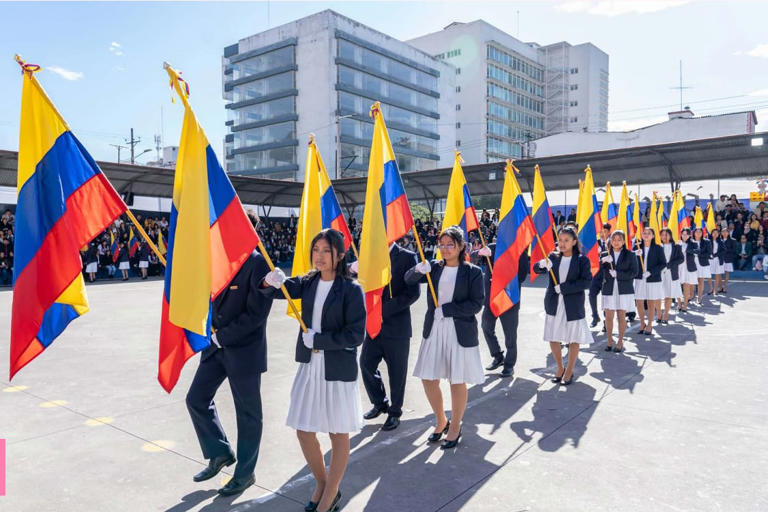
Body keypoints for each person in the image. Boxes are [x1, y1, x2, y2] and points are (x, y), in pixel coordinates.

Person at [263, 229, 365, 512]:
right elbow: (275, 291)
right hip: (310, 366)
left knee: (338, 432)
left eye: (326, 251)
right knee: (304, 429)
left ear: (340, 255)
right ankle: (321, 481)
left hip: (336, 368)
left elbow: (356, 335)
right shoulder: (308, 282)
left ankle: (331, 492)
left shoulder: (352, 290)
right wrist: (271, 280)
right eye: (316, 250)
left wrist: (319, 340)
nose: (319, 256)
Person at [185, 211, 275, 496]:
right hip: (216, 348)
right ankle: (220, 451)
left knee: (248, 415)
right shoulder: (217, 259)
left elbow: (256, 315)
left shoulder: (259, 264)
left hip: (243, 350)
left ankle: (245, 473)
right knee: (196, 399)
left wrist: (222, 336)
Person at [405, 226, 485, 449]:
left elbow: (476, 304)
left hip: (459, 331)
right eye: (442, 244)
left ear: (461, 247)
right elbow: (408, 280)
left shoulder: (473, 272)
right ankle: (441, 419)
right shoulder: (435, 268)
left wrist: (448, 310)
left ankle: (455, 425)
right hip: (435, 330)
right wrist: (418, 270)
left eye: (450, 245)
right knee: (428, 377)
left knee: (457, 379)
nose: (445, 249)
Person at [352, 241, 420, 432]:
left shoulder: (407, 256)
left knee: (397, 373)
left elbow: (412, 293)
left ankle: (395, 412)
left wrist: (383, 310)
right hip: (374, 326)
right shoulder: (369, 256)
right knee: (366, 363)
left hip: (397, 327)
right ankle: (380, 403)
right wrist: (352, 269)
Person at [533, 226, 593, 385]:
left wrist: (565, 288)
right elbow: (537, 269)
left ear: (574, 242)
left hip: (572, 305)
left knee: (573, 339)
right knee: (553, 337)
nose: (563, 243)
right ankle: (559, 367)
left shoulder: (582, 260)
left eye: (566, 240)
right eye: (560, 240)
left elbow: (586, 282)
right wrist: (540, 264)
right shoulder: (553, 257)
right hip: (554, 303)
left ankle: (569, 371)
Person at [471, 242, 529, 378]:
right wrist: (479, 253)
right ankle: (497, 356)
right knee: (486, 326)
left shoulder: (520, 252)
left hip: (509, 298)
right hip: (492, 298)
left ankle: (509, 365)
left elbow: (522, 276)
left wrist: (503, 272)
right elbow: (471, 258)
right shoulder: (492, 247)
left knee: (510, 335)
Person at [600, 230, 638, 352]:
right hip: (609, 289)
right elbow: (598, 272)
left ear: (623, 241)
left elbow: (634, 272)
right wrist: (603, 262)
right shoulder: (605, 253)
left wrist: (618, 274)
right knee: (608, 316)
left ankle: (620, 341)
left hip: (624, 289)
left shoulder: (630, 255)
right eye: (614, 239)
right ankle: (609, 341)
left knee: (621, 316)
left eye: (619, 239)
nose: (616, 242)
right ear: (610, 241)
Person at [633, 227, 665, 336]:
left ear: (653, 236)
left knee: (651, 302)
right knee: (639, 301)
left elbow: (662, 263)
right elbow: (631, 262)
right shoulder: (636, 247)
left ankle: (650, 325)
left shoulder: (658, 248)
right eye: (644, 233)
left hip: (653, 279)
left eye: (649, 233)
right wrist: (635, 255)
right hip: (639, 278)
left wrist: (651, 272)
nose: (646, 235)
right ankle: (642, 323)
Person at [659, 228, 684, 324]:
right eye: (663, 235)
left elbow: (681, 259)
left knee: (668, 295)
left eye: (666, 235)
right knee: (659, 295)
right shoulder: (658, 247)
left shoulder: (676, 246)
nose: (664, 237)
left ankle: (665, 315)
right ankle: (660, 315)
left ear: (670, 235)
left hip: (671, 273)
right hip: (660, 274)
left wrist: (671, 264)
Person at [589, 224, 611, 328]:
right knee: (591, 294)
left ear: (609, 232)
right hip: (597, 274)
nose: (602, 234)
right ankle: (595, 316)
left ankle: (606, 322)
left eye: (605, 232)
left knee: (605, 299)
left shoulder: (613, 243)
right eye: (601, 232)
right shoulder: (596, 243)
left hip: (608, 275)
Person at [691, 227, 712, 304]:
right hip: (692, 263)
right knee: (692, 281)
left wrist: (699, 254)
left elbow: (709, 253)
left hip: (702, 263)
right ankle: (692, 295)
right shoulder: (690, 241)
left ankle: (699, 298)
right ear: (694, 233)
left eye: (700, 232)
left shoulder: (707, 242)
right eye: (697, 232)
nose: (698, 233)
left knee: (700, 281)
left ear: (702, 233)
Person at [679, 228, 698, 312]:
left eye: (686, 234)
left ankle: (685, 305)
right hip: (678, 267)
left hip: (688, 267)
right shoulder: (677, 243)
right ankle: (679, 304)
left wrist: (687, 251)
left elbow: (698, 251)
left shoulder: (693, 243)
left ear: (690, 235)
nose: (684, 236)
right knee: (678, 287)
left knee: (686, 286)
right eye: (683, 234)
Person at [708, 228, 724, 294]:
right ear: (711, 234)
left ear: (718, 234)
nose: (715, 234)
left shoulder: (721, 241)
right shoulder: (708, 241)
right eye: (713, 233)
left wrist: (716, 254)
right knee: (709, 275)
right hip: (710, 259)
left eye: (716, 233)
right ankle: (711, 289)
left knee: (717, 274)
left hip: (718, 259)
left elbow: (723, 250)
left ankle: (715, 290)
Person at [721, 228, 736, 293]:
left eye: (726, 232)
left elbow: (734, 250)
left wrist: (725, 250)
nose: (724, 233)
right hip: (720, 259)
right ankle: (720, 287)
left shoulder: (733, 240)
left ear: (728, 233)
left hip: (727, 259)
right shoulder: (719, 240)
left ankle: (725, 288)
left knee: (726, 273)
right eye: (723, 232)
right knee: (719, 274)